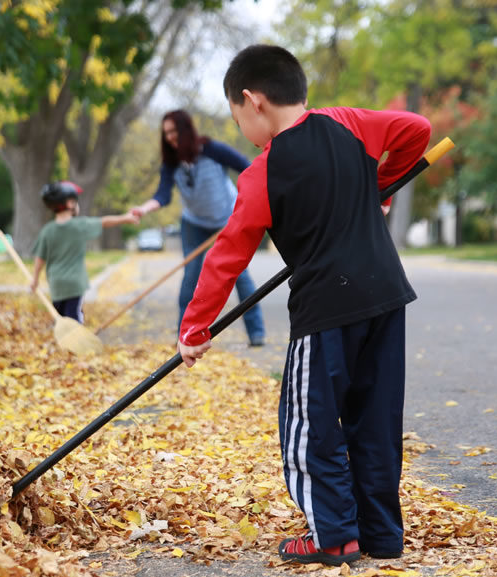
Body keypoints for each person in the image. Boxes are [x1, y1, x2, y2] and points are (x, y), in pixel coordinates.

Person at [177, 45, 432, 566]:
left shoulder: (261, 175)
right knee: (375, 421)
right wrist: (379, 187)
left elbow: (227, 257)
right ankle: (381, 535)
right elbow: (416, 129)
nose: (241, 127)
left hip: (326, 312)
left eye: (236, 116)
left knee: (308, 427)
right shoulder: (350, 124)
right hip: (386, 296)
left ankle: (334, 536)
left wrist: (195, 328)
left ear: (253, 101)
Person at [131, 109, 266, 347]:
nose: (170, 137)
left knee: (239, 275)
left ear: (185, 129)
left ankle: (257, 333)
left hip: (226, 219)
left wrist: (247, 202)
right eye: (166, 134)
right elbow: (163, 195)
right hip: (194, 224)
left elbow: (248, 167)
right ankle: (184, 336)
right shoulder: (171, 164)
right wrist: (144, 209)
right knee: (191, 276)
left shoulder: (211, 150)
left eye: (174, 131)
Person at [31, 181, 138, 323]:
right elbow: (104, 222)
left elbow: (40, 258)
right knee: (74, 317)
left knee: (61, 317)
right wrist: (126, 218)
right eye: (76, 201)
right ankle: (76, 341)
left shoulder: (47, 231)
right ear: (70, 204)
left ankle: (65, 341)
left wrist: (35, 279)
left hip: (56, 284)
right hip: (75, 284)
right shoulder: (80, 226)